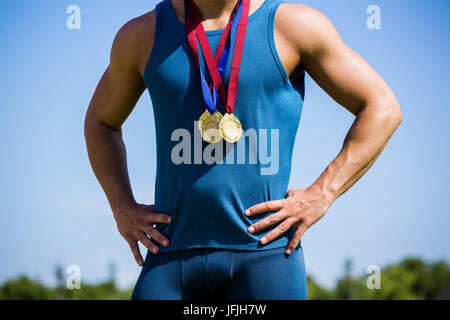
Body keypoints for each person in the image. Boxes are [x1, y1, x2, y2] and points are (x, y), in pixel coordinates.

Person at [84, 0, 402, 300]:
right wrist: (121, 206)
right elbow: (100, 122)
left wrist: (323, 192)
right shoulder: (142, 34)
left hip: (266, 256)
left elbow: (382, 107)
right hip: (168, 255)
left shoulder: (294, 27)